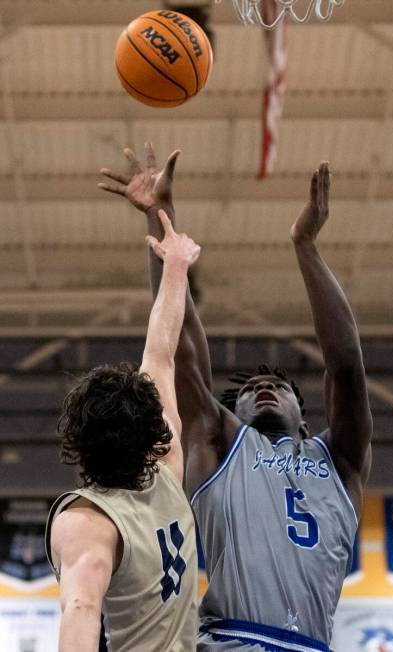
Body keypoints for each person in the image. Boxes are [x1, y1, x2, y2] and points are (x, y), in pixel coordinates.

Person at [99, 146, 373, 652]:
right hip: (230, 640)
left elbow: (347, 364)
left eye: (278, 387)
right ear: (234, 413)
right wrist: (164, 220)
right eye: (247, 391)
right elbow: (181, 351)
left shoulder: (341, 462)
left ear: (305, 418)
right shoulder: (219, 443)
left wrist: (306, 246)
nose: (261, 388)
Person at [45, 210, 201, 652]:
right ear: (154, 437)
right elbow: (161, 350)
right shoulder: (167, 462)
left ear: (76, 442)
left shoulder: (86, 521)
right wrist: (175, 266)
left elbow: (80, 609)